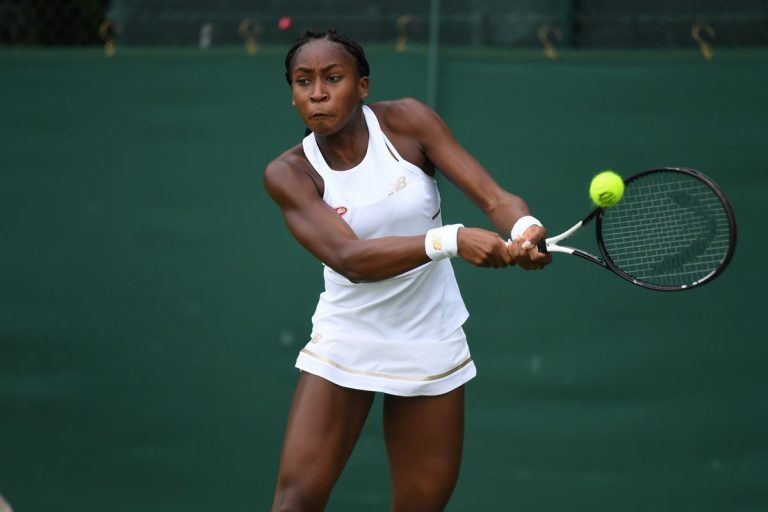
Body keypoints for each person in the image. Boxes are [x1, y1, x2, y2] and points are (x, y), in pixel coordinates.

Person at [263, 29, 552, 512]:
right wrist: (451, 240)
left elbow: (494, 197)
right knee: (296, 501)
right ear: (292, 94)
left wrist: (524, 228)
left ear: (363, 86)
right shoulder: (289, 173)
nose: (317, 93)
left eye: (333, 78)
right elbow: (350, 260)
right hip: (346, 337)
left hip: (429, 337)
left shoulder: (408, 123)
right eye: (302, 81)